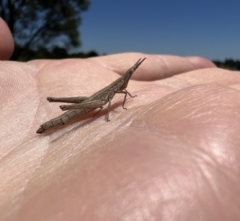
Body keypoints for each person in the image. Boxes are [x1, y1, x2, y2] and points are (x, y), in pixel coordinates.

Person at [1, 17, 240, 221]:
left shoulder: (122, 87)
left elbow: (123, 92)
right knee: (91, 105)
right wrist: (109, 109)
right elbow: (114, 97)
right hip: (92, 103)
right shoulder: (117, 89)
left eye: (130, 75)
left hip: (97, 102)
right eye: (129, 75)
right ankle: (54, 121)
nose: (128, 79)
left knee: (101, 103)